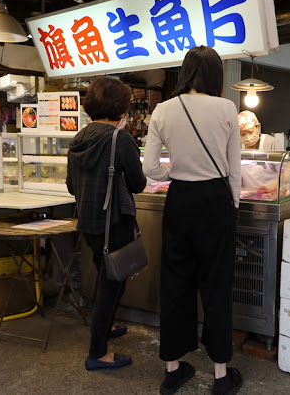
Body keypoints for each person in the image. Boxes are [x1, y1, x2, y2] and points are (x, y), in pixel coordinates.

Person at [143, 46, 243, 395]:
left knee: (175, 282)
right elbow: (234, 170)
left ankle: (173, 370)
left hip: (180, 199)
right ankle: (220, 375)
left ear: (185, 72)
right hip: (215, 201)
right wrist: (232, 206)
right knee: (216, 285)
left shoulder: (162, 110)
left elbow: (149, 168)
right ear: (216, 75)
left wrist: (173, 172)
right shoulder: (227, 108)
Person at [66, 77, 146, 371]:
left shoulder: (78, 138)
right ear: (121, 108)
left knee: (107, 277)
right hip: (114, 224)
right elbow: (138, 184)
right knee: (112, 284)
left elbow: (70, 186)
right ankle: (97, 352)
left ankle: (106, 326)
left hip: (88, 223)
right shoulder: (118, 139)